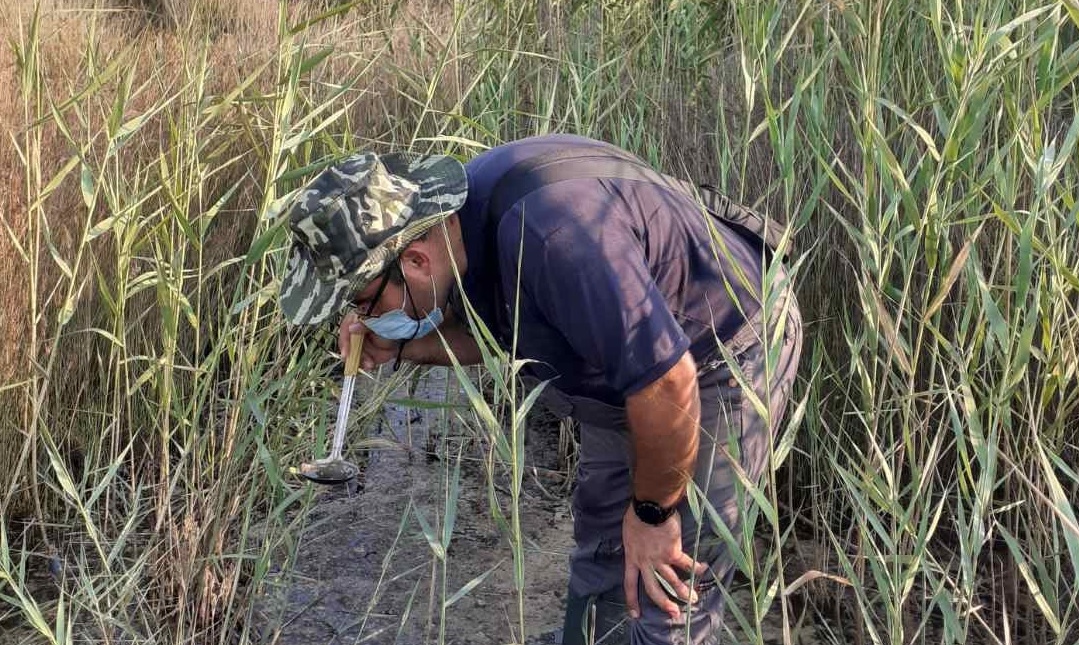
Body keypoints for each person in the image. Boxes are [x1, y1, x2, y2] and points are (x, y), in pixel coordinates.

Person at [277, 134, 802, 645]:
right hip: (635, 367)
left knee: (668, 578)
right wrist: (403, 346)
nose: (357, 319)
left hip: (721, 348)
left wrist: (654, 513)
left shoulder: (555, 239)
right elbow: (504, 332)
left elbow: (669, 380)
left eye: (363, 303)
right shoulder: (457, 234)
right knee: (603, 542)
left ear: (413, 262)